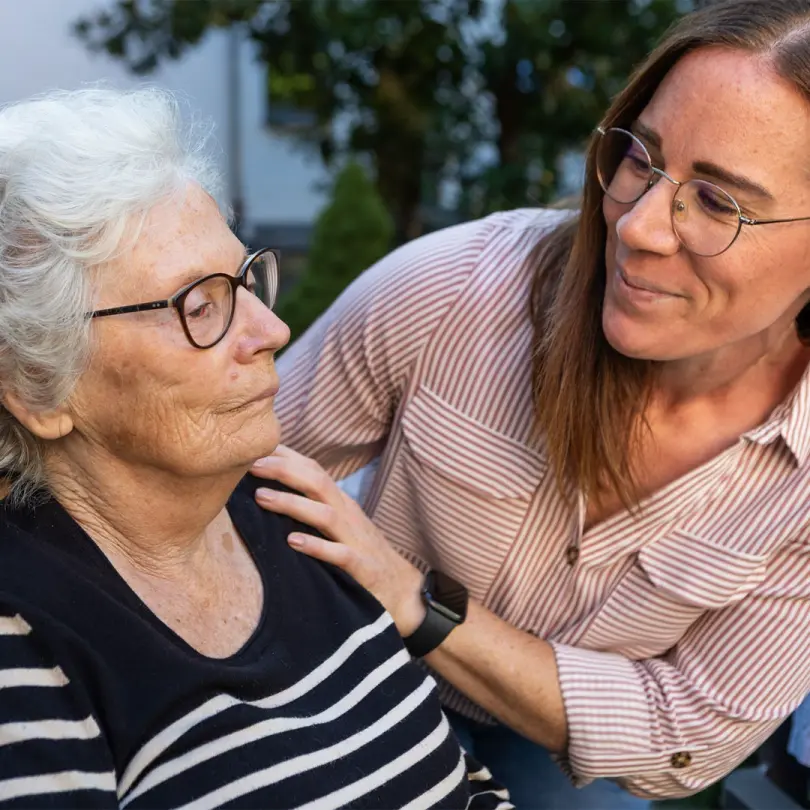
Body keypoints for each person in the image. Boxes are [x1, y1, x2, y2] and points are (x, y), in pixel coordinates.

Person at [249, 0, 810, 807]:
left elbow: (684, 734)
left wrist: (413, 597)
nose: (641, 225)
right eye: (640, 159)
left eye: (718, 203)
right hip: (350, 662)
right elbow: (231, 485)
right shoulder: (450, 292)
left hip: (561, 750)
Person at [0, 87, 510, 809]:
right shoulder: (24, 638)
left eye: (245, 280)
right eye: (200, 306)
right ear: (39, 389)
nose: (272, 331)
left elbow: (451, 777)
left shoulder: (292, 512)